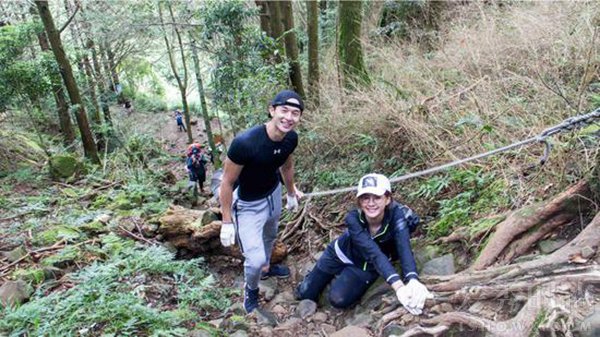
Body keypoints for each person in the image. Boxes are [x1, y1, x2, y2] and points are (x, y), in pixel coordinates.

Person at [295, 173, 433, 315]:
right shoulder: (353, 219)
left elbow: (404, 248)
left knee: (338, 300)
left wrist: (412, 280)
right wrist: (399, 286)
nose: (371, 203)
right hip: (339, 254)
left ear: (387, 199)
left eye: (377, 197)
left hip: (367, 266)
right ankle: (316, 278)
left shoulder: (398, 216)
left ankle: (343, 279)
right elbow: (372, 250)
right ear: (359, 201)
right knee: (305, 293)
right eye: (365, 198)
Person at [219, 89, 305, 313]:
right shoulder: (245, 143)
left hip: (273, 193)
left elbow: (286, 165)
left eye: (294, 113)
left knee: (270, 234)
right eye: (284, 111)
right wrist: (226, 221)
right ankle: (251, 288)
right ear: (272, 110)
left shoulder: (291, 139)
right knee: (254, 259)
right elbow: (227, 182)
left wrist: (291, 192)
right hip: (247, 204)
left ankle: (266, 268)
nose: (288, 117)